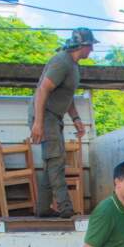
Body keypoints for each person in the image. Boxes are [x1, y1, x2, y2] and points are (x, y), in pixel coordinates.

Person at [29, 28, 97, 218]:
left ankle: (42, 209)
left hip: (54, 116)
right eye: (90, 46)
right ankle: (66, 208)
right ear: (81, 46)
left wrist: (75, 119)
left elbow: (67, 96)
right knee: (56, 159)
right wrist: (38, 123)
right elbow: (43, 90)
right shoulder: (62, 62)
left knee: (51, 161)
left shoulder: (75, 66)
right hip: (44, 114)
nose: (91, 50)